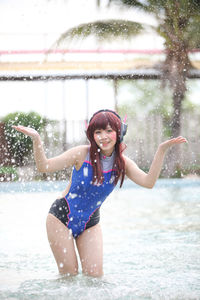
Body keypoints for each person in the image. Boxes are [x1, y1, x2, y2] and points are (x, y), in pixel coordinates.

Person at [12, 109, 187, 277]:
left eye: (109, 131)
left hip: (91, 222)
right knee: (69, 275)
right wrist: (36, 139)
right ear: (92, 135)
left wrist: (161, 150)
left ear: (119, 133)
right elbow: (45, 167)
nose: (103, 137)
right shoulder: (81, 154)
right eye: (98, 132)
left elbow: (149, 182)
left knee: (95, 277)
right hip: (61, 218)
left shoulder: (123, 163)